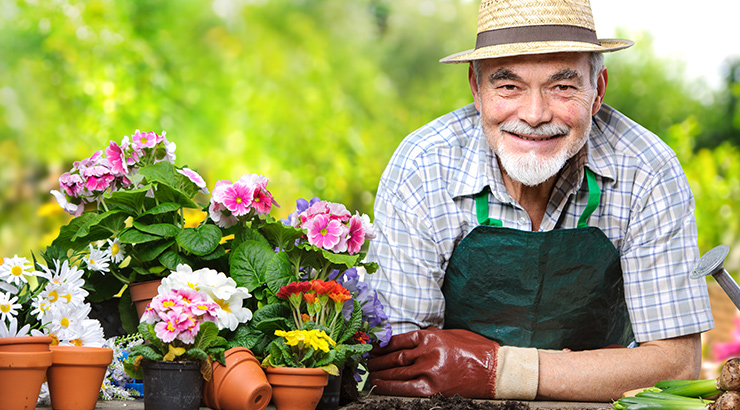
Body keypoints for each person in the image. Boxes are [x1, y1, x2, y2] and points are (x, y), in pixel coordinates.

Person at [365, 0, 714, 403]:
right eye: (508, 85)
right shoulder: (422, 168)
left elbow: (675, 366)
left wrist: (498, 369)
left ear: (597, 90)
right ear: (476, 89)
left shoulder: (647, 171)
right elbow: (401, 363)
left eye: (562, 87)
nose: (533, 115)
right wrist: (600, 370)